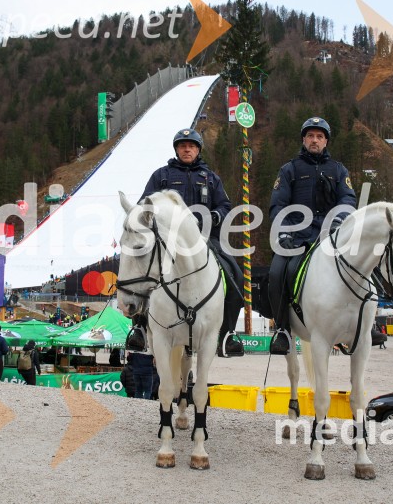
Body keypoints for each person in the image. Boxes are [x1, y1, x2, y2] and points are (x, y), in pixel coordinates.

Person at [126, 128, 245, 358]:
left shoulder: (211, 178)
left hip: (204, 240)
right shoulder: (161, 176)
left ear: (198, 149)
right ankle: (139, 327)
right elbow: (144, 204)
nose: (187, 149)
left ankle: (228, 333)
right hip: (167, 241)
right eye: (182, 146)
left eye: (191, 145)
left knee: (235, 274)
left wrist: (215, 217)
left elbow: (224, 206)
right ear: (176, 150)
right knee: (145, 273)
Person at [268, 116, 356, 355]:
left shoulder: (339, 170)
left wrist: (339, 220)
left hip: (332, 237)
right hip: (297, 238)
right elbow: (278, 205)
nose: (314, 140)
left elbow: (348, 200)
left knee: (368, 265)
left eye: (319, 136)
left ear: (326, 141)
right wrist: (284, 232)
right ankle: (282, 330)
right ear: (303, 139)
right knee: (276, 272)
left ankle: (367, 325)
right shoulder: (289, 170)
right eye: (310, 136)